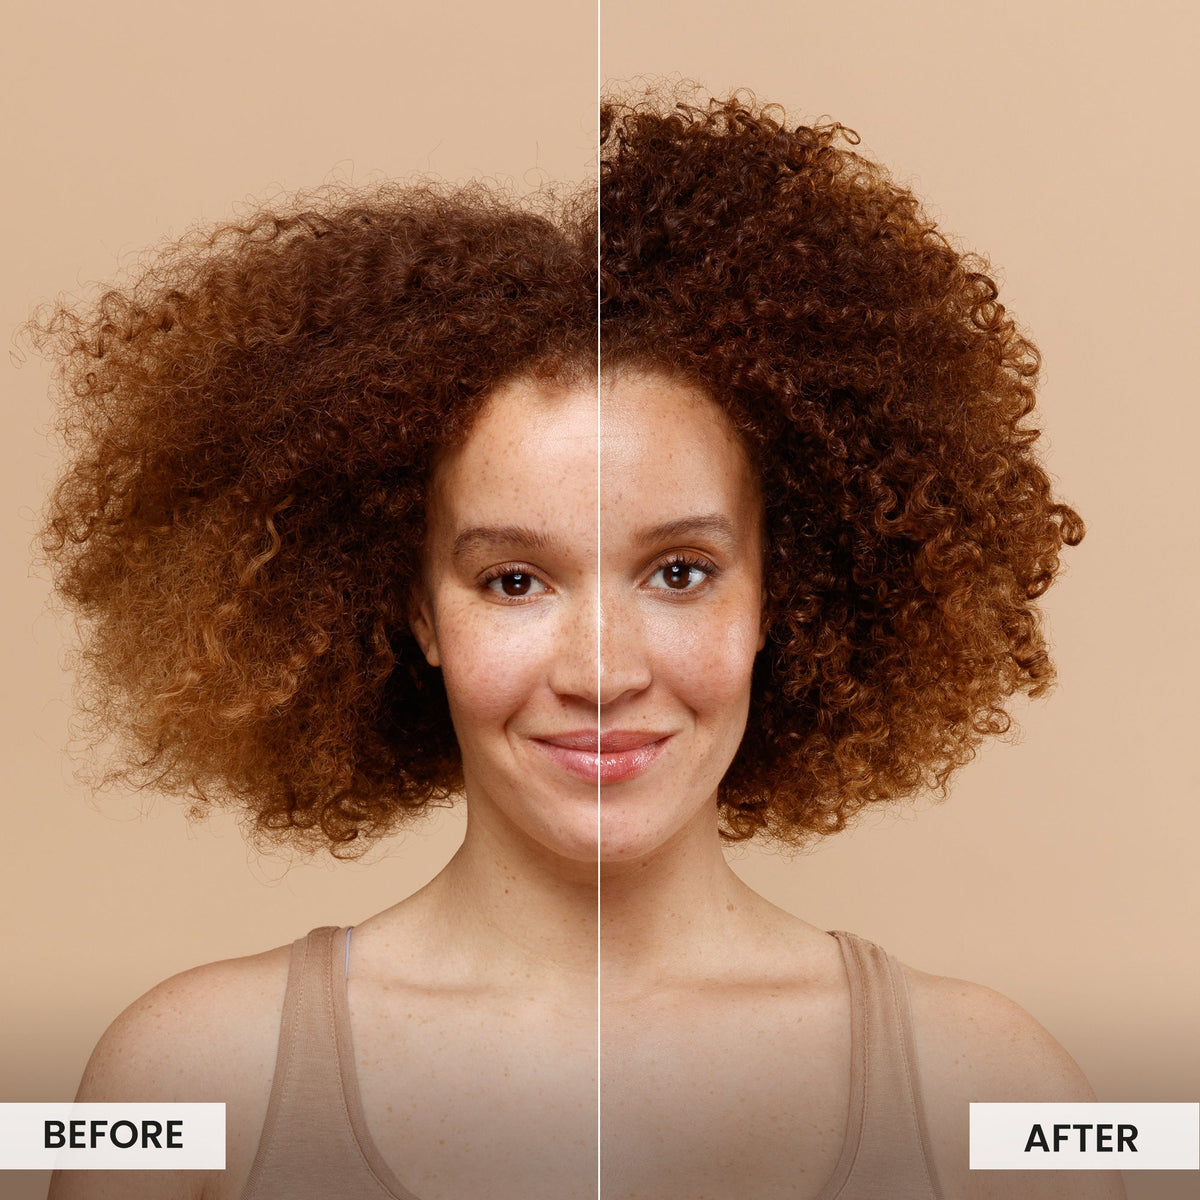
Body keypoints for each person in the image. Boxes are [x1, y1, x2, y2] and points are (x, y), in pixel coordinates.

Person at [33, 88, 1125, 1200]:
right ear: (417, 609)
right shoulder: (189, 1086)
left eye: (680, 573)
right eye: (514, 581)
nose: (602, 672)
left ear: (779, 595)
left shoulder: (996, 1098)